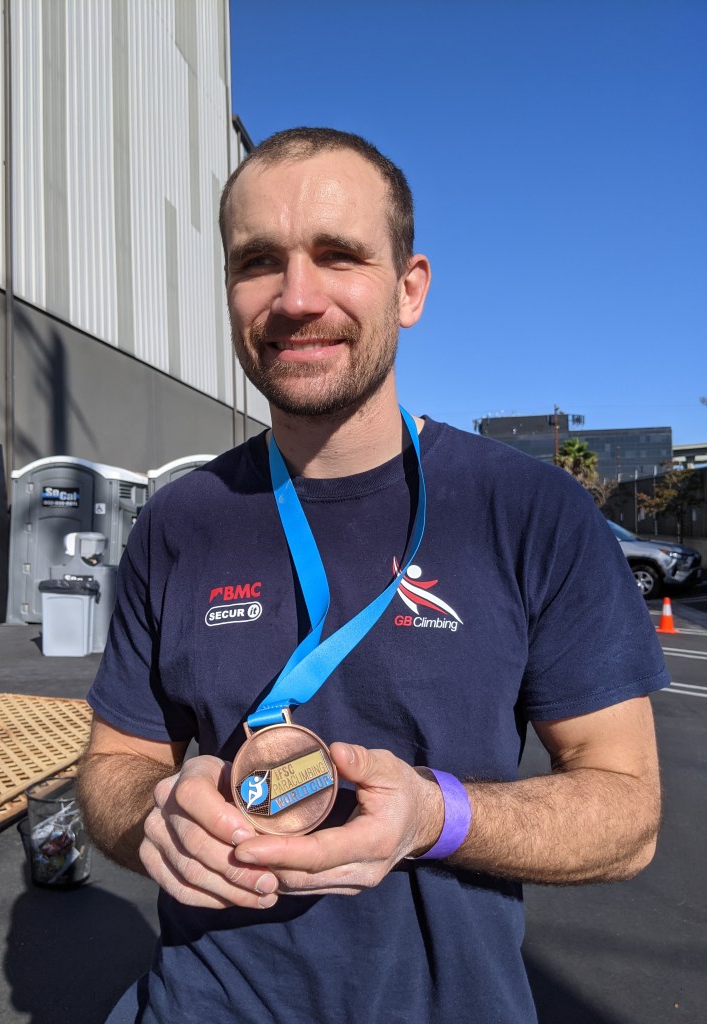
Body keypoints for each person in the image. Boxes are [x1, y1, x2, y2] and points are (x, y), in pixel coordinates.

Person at [78, 127, 667, 1024]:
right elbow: (116, 765)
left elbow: (628, 812)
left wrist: (434, 817)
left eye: (338, 254)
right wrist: (154, 814)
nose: (296, 297)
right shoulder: (178, 524)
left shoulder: (530, 511)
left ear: (409, 287)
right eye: (258, 262)